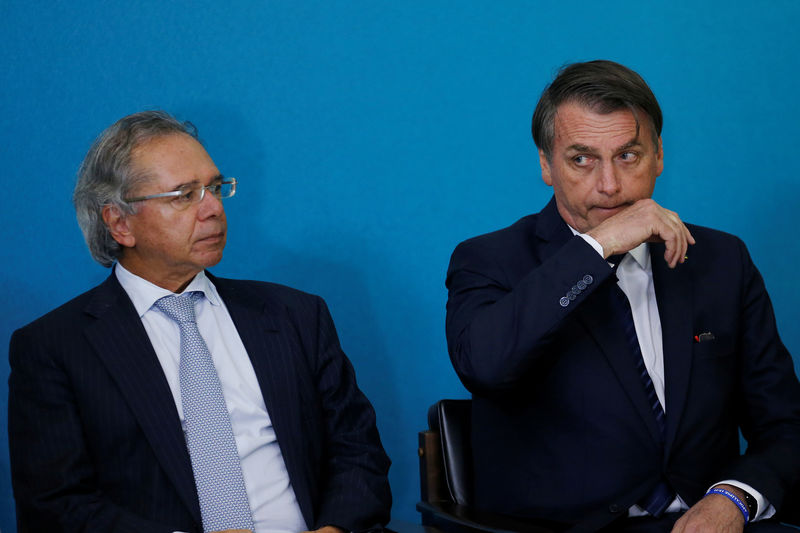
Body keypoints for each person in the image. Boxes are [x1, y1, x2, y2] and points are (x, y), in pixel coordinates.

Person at [445, 60, 800, 532]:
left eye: (628, 156)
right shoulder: (489, 260)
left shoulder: (722, 260)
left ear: (658, 156)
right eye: (582, 159)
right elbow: (485, 366)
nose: (610, 185)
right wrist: (598, 248)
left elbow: (784, 425)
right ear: (546, 165)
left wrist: (735, 498)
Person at [8, 111, 392, 533]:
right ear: (119, 223)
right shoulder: (55, 347)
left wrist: (334, 530)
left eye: (214, 187)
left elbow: (358, 452)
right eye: (183, 195)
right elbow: (55, 506)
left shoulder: (295, 316)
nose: (212, 209)